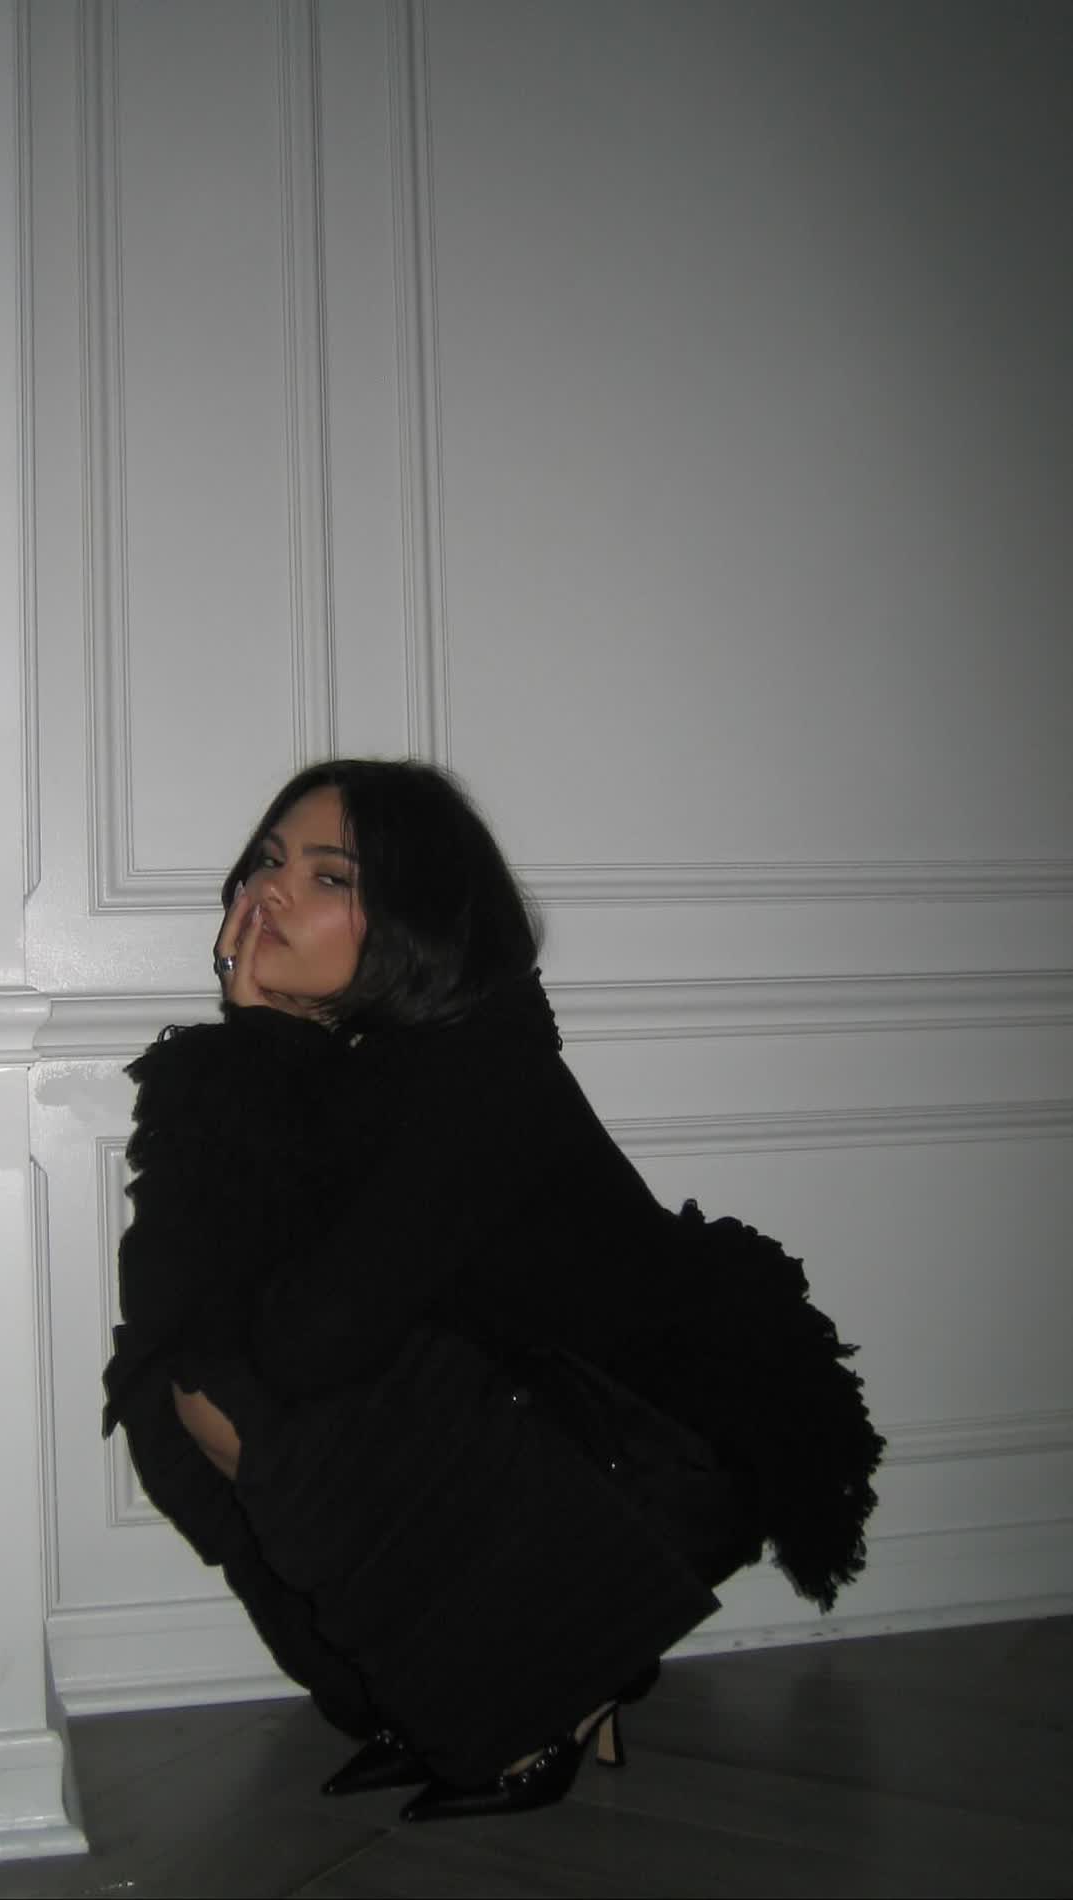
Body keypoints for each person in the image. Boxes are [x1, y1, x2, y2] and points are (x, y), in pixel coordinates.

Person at [102, 759, 884, 1820]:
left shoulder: (479, 1069)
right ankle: (437, 1691)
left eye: (329, 876)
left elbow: (312, 1340)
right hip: (535, 1426)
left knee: (254, 1390)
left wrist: (268, 1057)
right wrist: (255, 1056)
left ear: (419, 916)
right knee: (182, 1376)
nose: (271, 892)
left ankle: (545, 1687)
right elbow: (182, 1297)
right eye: (269, 862)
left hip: (655, 1456)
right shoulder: (345, 1073)